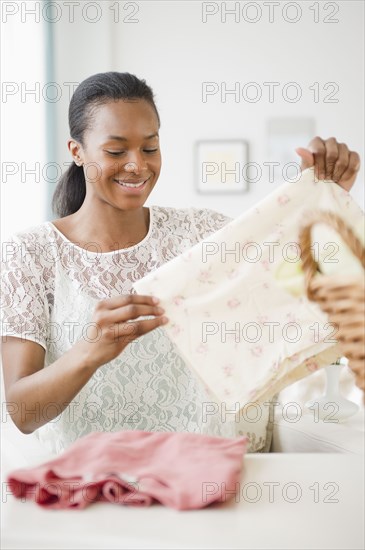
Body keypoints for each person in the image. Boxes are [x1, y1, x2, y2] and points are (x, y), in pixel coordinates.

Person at [1, 72, 361, 454]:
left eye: (150, 148)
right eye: (116, 151)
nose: (137, 165)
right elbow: (23, 411)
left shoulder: (199, 233)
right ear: (77, 152)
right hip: (89, 494)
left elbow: (292, 267)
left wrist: (321, 192)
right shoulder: (30, 255)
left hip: (201, 485)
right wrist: (88, 351)